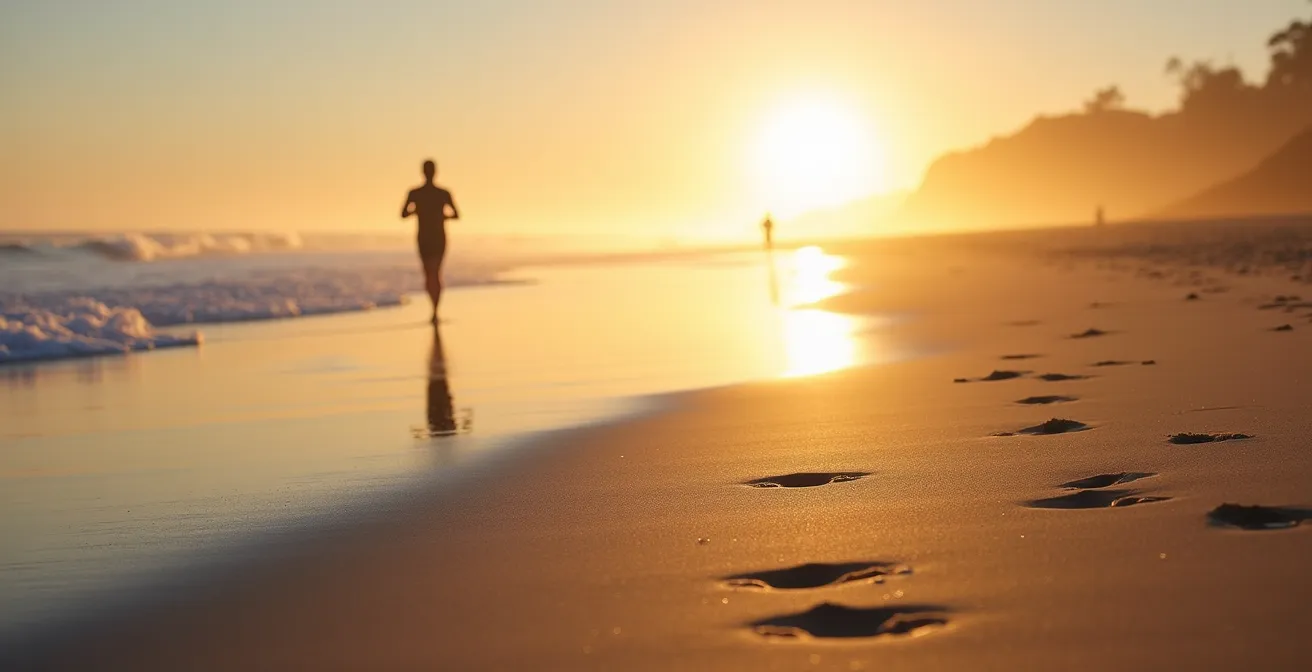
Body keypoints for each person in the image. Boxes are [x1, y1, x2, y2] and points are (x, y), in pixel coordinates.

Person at [402, 160, 460, 322]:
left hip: (425, 237)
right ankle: (435, 310)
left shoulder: (416, 193)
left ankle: (434, 310)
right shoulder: (442, 193)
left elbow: (403, 214)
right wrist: (441, 216)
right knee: (435, 273)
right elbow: (456, 215)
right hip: (437, 237)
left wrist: (417, 211)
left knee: (430, 274)